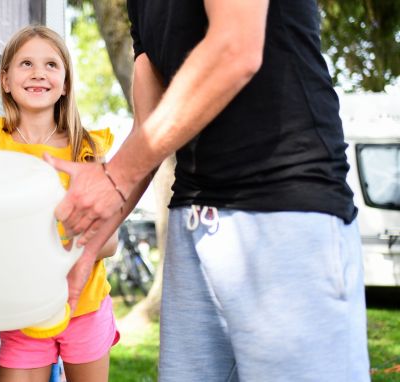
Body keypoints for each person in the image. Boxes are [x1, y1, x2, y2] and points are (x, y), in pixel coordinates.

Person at [45, 1, 370, 381]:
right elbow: (148, 127)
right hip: (193, 224)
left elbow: (235, 48)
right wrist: (83, 243)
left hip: (283, 215)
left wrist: (112, 180)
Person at [0, 25, 120, 382]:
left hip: (84, 307)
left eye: (51, 64)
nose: (39, 73)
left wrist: (59, 239)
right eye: (26, 64)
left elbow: (110, 241)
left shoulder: (87, 149)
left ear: (65, 83)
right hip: (22, 312)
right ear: (5, 80)